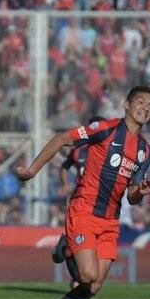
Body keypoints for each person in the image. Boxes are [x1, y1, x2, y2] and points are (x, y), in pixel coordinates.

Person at [18, 86, 150, 299]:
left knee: (94, 285)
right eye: (140, 102)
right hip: (84, 210)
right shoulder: (105, 129)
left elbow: (132, 197)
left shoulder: (145, 151)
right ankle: (67, 246)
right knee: (87, 276)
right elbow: (61, 139)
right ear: (126, 105)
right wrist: (31, 171)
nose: (145, 108)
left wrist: (142, 191)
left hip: (110, 221)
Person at [51, 116, 106, 280]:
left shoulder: (109, 151)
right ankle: (70, 252)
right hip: (80, 198)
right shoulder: (78, 151)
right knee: (82, 236)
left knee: (95, 240)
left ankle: (67, 246)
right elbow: (65, 166)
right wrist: (64, 184)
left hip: (102, 200)